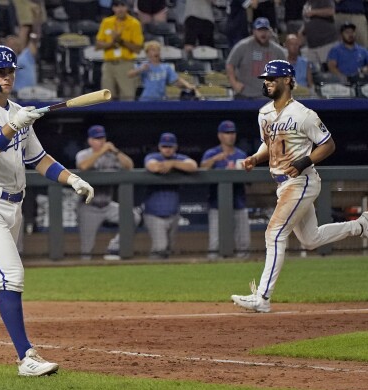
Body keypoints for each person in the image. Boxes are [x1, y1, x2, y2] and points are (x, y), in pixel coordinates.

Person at [0, 45, 94, 375]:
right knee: (12, 275)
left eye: (11, 71)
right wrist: (13, 125)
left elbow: (38, 159)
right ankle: (27, 357)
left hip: (13, 205)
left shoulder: (19, 110)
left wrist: (72, 179)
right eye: (1, 71)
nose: (8, 76)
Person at [230, 59, 368, 313]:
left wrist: (305, 160)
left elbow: (328, 145)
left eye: (272, 78)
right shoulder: (264, 113)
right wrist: (255, 157)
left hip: (301, 181)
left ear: (287, 81)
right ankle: (359, 226)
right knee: (310, 239)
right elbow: (269, 144)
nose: (267, 82)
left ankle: (263, 297)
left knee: (274, 233)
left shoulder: (304, 115)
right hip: (283, 183)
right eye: (266, 79)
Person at [75, 124, 141, 260]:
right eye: (97, 138)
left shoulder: (112, 155)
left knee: (134, 217)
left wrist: (115, 151)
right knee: (86, 251)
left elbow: (129, 166)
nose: (101, 141)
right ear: (90, 141)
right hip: (89, 206)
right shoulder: (83, 154)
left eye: (102, 138)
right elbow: (83, 166)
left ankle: (114, 246)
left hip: (108, 204)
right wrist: (101, 151)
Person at [200, 120, 250, 260]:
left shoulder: (241, 154)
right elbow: (202, 168)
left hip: (238, 202)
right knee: (215, 243)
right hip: (217, 203)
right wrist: (215, 160)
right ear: (220, 135)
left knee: (243, 243)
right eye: (227, 133)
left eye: (232, 132)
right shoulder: (211, 153)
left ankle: (242, 269)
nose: (230, 135)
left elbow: (249, 177)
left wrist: (239, 171)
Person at [143, 132, 198, 259]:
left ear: (175, 147)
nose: (167, 149)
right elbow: (152, 166)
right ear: (159, 147)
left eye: (170, 146)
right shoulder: (153, 156)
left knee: (168, 249)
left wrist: (172, 164)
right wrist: (169, 165)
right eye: (164, 146)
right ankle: (153, 271)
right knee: (160, 248)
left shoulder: (179, 158)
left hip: (173, 214)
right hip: (154, 213)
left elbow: (193, 166)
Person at [226, 17, 287, 100]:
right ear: (253, 31)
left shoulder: (277, 50)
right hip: (245, 94)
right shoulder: (243, 46)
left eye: (265, 30)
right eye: (260, 30)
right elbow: (230, 64)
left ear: (270, 32)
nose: (263, 33)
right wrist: (234, 83)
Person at [95, 0, 144, 101]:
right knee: (106, 98)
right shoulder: (106, 22)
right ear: (113, 8)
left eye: (122, 6)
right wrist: (111, 43)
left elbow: (138, 48)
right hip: (108, 65)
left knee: (128, 97)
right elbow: (98, 45)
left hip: (125, 64)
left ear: (127, 7)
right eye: (117, 6)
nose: (120, 9)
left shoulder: (134, 23)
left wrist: (121, 41)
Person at [128, 40, 200, 101]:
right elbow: (130, 74)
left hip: (161, 99)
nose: (156, 52)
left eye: (158, 50)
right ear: (147, 53)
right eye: (153, 50)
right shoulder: (144, 65)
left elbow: (176, 80)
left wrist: (189, 86)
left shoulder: (166, 67)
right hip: (146, 99)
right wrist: (141, 69)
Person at [299, 0, 338, 68]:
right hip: (311, 45)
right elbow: (308, 20)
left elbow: (331, 11)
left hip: (326, 42)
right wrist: (302, 31)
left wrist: (314, 12)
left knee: (329, 69)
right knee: (314, 72)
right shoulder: (307, 3)